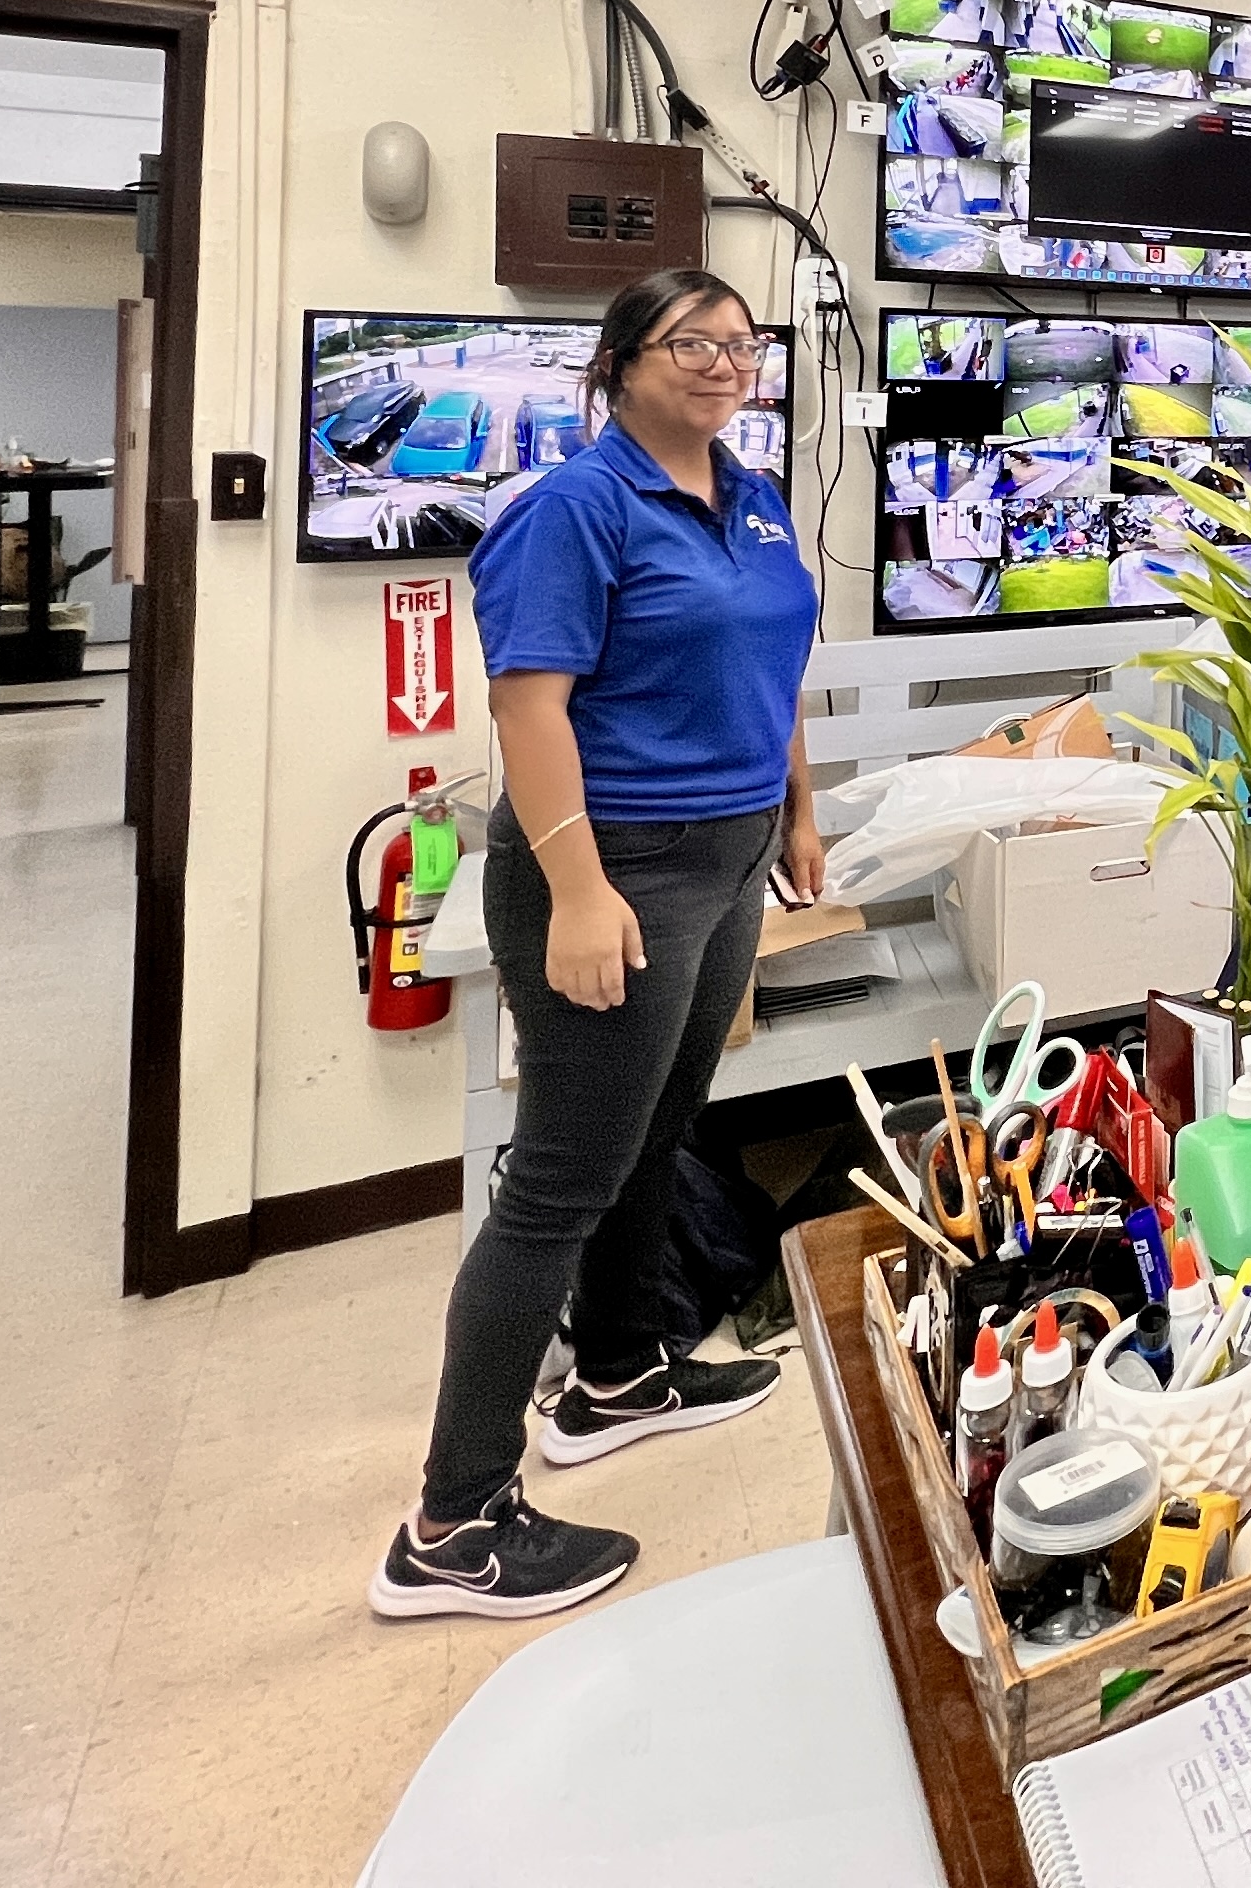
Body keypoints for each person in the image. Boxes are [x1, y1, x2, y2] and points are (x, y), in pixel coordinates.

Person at [370, 269, 825, 1621]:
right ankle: (450, 1527)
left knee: (658, 1132)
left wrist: (799, 819)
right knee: (558, 1184)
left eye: (741, 345)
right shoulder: (571, 511)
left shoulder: (751, 497)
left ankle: (621, 1372)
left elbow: (776, 668)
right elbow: (528, 712)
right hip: (615, 871)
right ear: (620, 364)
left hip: (730, 857)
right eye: (691, 342)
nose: (723, 363)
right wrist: (575, 891)